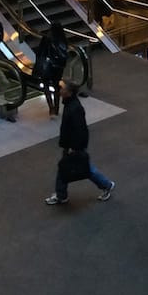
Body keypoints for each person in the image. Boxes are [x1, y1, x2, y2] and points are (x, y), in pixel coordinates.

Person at [45, 78, 115, 206]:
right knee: (69, 168)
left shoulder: (74, 108)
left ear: (69, 92)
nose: (59, 90)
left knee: (81, 168)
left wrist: (74, 147)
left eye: (62, 88)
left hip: (73, 146)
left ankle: (106, 184)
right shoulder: (69, 104)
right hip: (71, 145)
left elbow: (80, 130)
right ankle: (62, 194)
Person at [32, 21, 69, 117]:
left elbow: (40, 52)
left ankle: (51, 107)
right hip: (58, 67)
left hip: (47, 67)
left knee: (46, 86)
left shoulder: (47, 38)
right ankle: (57, 108)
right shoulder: (62, 39)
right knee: (56, 86)